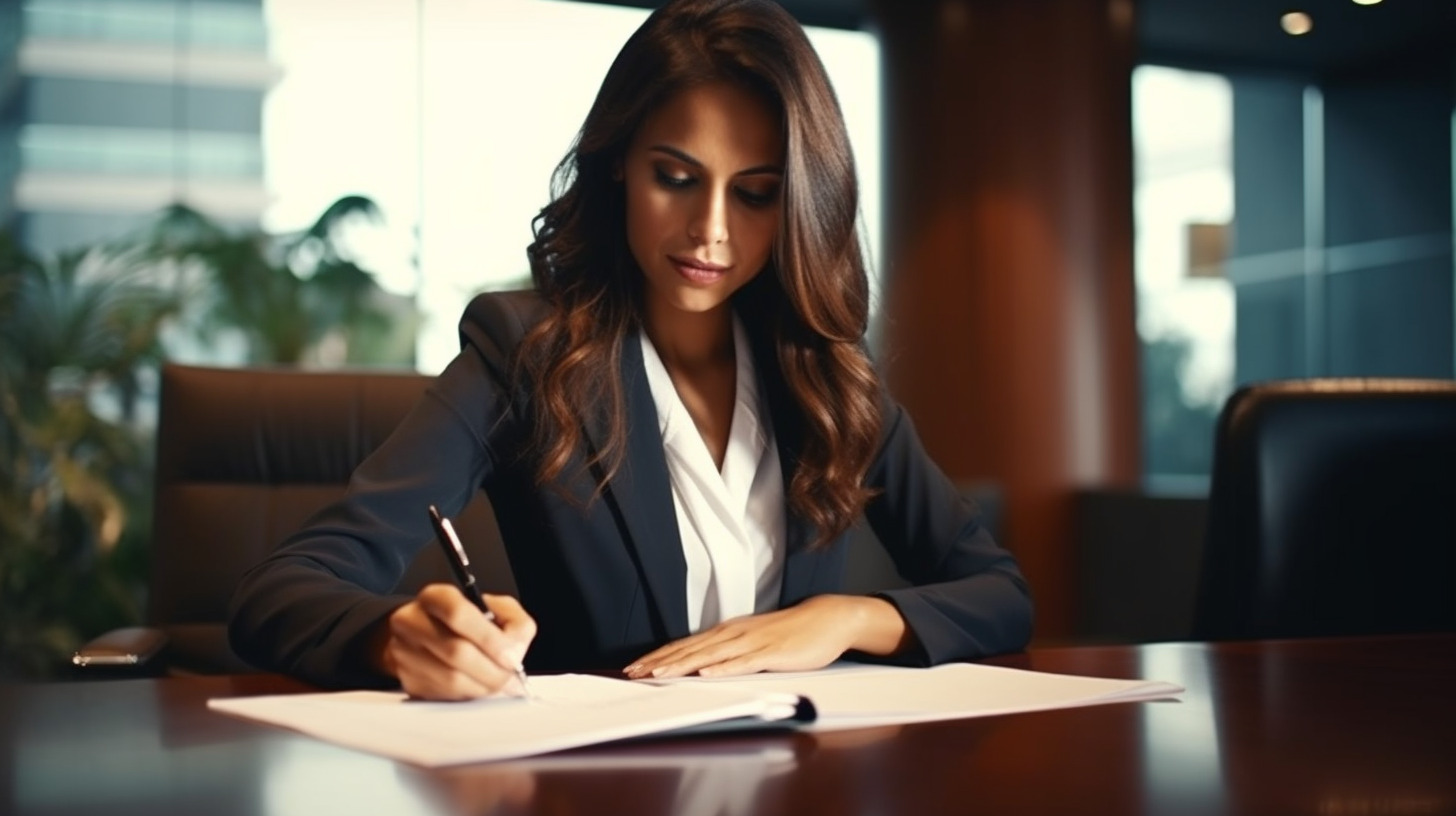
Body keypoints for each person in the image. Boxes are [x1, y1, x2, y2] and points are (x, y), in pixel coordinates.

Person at [228, 0, 1033, 701]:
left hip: (801, 781)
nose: (711, 229)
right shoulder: (525, 353)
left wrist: (848, 619)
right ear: (618, 165)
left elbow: (998, 591)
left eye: (755, 194)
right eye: (675, 177)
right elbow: (283, 592)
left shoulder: (824, 378)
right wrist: (394, 636)